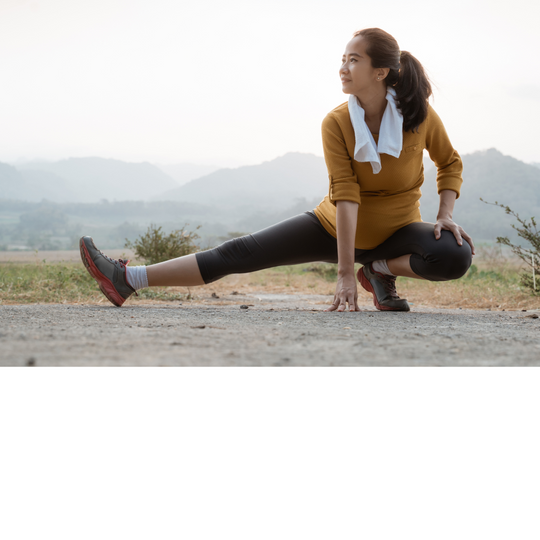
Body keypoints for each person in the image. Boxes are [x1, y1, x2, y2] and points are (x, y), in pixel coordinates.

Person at [79, 27, 474, 312]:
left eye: (354, 60)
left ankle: (378, 269)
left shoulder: (418, 116)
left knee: (455, 253)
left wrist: (445, 216)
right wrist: (342, 272)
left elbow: (449, 162)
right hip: (335, 226)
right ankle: (127, 279)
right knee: (236, 253)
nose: (343, 68)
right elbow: (346, 195)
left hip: (397, 232)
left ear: (381, 72)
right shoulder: (336, 122)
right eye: (342, 59)